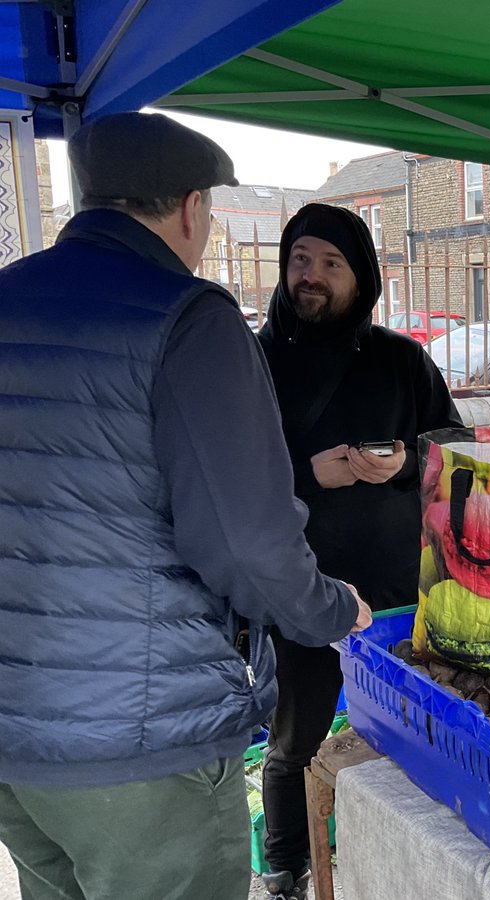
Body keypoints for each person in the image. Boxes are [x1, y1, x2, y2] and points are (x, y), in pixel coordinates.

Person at [0, 112, 372, 900]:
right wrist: (333, 611)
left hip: (18, 736)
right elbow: (247, 544)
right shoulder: (187, 318)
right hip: (140, 741)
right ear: (193, 208)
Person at [256, 203, 461, 898]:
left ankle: (402, 857)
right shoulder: (254, 362)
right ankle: (286, 863)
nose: (311, 276)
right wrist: (310, 474)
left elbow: (455, 450)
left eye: (331, 263)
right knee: (293, 740)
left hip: (397, 595)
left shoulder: (402, 361)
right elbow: (228, 477)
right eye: (300, 260)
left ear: (361, 275)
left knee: (412, 738)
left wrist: (405, 462)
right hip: (301, 591)